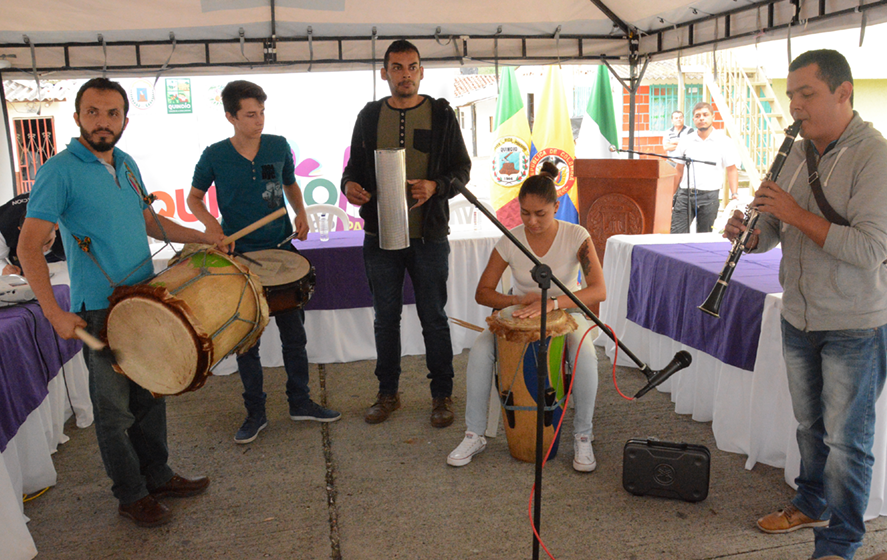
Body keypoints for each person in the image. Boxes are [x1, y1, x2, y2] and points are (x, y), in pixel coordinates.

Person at [724, 50, 887, 560]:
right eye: (791, 96)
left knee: (849, 443)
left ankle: (840, 543)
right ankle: (810, 501)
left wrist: (794, 212)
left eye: (807, 94)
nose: (795, 106)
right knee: (810, 428)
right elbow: (777, 230)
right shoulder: (797, 153)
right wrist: (751, 234)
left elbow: (872, 250)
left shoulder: (879, 159)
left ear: (843, 93)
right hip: (799, 315)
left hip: (854, 322)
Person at [17, 78, 219, 528]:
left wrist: (207, 235)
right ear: (77, 118)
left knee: (151, 394)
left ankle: (158, 476)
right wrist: (53, 312)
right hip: (98, 310)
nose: (102, 122)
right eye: (93, 112)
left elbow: (151, 221)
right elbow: (28, 247)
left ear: (125, 120)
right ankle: (131, 495)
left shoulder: (126, 164)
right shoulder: (59, 169)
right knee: (114, 410)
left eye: (112, 114)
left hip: (144, 300)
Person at [187, 80, 341, 445]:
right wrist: (213, 229)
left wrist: (300, 212)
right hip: (241, 257)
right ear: (230, 117)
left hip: (281, 247)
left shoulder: (277, 145)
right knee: (246, 341)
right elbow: (194, 198)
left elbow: (289, 185)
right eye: (250, 115)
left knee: (294, 334)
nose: (259, 121)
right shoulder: (214, 155)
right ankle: (255, 411)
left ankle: (299, 401)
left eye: (262, 113)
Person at [341, 39, 471, 428]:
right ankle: (387, 394)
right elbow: (352, 171)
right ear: (385, 73)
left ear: (422, 71)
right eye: (397, 68)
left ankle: (441, 396)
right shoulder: (368, 116)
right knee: (385, 318)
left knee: (433, 316)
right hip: (380, 237)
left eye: (412, 66)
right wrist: (349, 186)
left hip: (429, 236)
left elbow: (461, 171)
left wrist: (436, 186)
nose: (405, 74)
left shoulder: (443, 114)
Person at [447, 162, 606, 472]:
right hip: (520, 317)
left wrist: (553, 303)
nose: (531, 221)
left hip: (566, 314)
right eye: (524, 213)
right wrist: (519, 299)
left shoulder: (577, 235)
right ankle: (474, 434)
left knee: (584, 352)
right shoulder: (511, 239)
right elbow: (483, 292)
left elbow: (598, 290)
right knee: (480, 350)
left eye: (540, 214)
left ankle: (583, 435)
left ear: (556, 206)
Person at [671, 102, 739, 233]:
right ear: (693, 120)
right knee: (676, 235)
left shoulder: (724, 141)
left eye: (705, 115)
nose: (701, 118)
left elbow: (731, 169)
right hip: (685, 195)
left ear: (713, 117)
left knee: (704, 237)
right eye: (697, 116)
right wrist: (671, 194)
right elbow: (679, 169)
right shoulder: (686, 140)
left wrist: (734, 193)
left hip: (709, 197)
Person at [0, 193, 64, 276]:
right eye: (34, 243)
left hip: (61, 253)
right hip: (22, 261)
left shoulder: (69, 218)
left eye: (46, 242)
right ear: (20, 230)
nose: (41, 250)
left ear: (56, 225)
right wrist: (3, 269)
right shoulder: (5, 227)